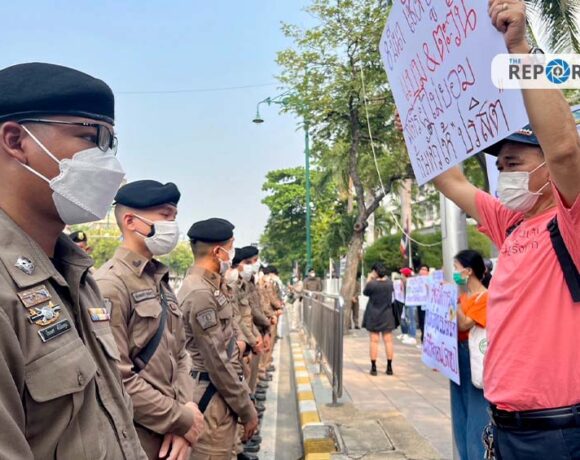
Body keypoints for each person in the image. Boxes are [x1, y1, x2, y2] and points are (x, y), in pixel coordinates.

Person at [408, 2, 580, 456]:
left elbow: (565, 148)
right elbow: (451, 181)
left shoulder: (571, 222)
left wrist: (518, 48)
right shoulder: (513, 225)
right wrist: (419, 120)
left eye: (514, 163)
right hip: (506, 427)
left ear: (548, 168)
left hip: (558, 433)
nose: (503, 174)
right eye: (499, 166)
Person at [0, 62, 146, 459]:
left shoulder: (75, 273)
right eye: (89, 137)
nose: (109, 164)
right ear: (16, 140)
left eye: (110, 145)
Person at [94, 180, 204, 460]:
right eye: (165, 215)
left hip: (173, 434)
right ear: (130, 221)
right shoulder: (110, 284)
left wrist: (185, 411)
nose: (172, 225)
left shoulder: (159, 280)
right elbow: (115, 378)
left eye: (174, 216)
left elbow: (181, 354)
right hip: (137, 439)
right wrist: (180, 419)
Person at [178, 218, 259, 459]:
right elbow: (217, 362)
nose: (232, 254)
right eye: (230, 247)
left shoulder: (211, 285)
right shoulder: (200, 292)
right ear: (217, 251)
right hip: (210, 396)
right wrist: (246, 409)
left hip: (220, 391)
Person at [450, 250, 490, 460]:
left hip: (473, 359)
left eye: (456, 269)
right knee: (460, 414)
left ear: (468, 271)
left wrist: (454, 304)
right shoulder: (463, 297)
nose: (454, 273)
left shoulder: (485, 297)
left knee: (476, 414)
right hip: (457, 357)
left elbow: (465, 324)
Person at [362, 263, 396, 376]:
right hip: (387, 314)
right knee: (388, 341)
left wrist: (369, 279)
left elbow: (365, 292)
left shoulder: (372, 284)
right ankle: (389, 367)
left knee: (374, 341)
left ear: (375, 272)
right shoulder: (390, 284)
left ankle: (373, 367)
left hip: (374, 314)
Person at [417, 265, 430, 344]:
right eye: (421, 269)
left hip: (427, 305)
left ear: (428, 272)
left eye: (425, 269)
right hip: (419, 304)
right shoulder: (416, 280)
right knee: (421, 321)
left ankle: (425, 340)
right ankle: (423, 339)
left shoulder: (430, 280)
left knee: (426, 322)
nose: (423, 271)